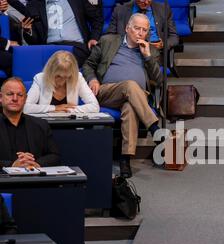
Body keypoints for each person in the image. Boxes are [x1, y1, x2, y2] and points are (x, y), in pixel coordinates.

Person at [83, 13, 162, 178]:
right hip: (106, 92)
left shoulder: (151, 51)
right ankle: (154, 128)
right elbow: (88, 65)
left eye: (144, 30)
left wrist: (147, 57)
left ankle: (125, 159)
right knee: (130, 84)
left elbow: (158, 79)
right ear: (127, 28)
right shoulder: (108, 41)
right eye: (136, 28)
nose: (140, 33)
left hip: (136, 97)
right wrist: (92, 79)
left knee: (130, 107)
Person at [0, 77, 60, 168]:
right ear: (0, 98)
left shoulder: (41, 125)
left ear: (25, 99)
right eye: (10, 94)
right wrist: (11, 165)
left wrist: (36, 163)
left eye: (20, 95)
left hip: (34, 179)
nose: (15, 98)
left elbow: (54, 156)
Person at [22, 0, 103, 66]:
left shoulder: (78, 1)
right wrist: (28, 31)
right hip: (49, 48)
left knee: (62, 65)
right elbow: (34, 42)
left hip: (76, 47)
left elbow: (97, 19)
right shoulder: (34, 5)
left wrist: (94, 38)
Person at [24, 50, 99, 114]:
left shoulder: (77, 77)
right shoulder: (40, 78)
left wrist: (67, 110)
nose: (61, 82)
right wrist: (54, 108)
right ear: (50, 72)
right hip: (45, 125)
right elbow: (25, 107)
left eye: (67, 77)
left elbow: (95, 106)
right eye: (58, 76)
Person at [106, 0, 178, 51]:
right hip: (127, 52)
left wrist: (163, 45)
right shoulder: (120, 10)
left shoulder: (163, 9)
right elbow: (110, 36)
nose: (146, 2)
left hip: (154, 53)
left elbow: (174, 37)